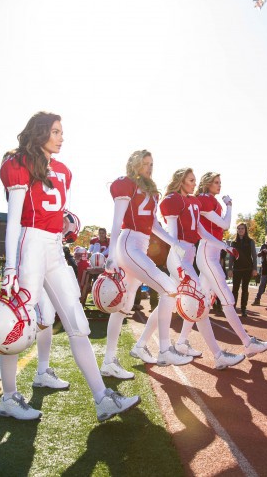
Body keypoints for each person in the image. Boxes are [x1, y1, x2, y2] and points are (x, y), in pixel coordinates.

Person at [0, 111, 139, 421]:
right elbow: (13, 220)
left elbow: (56, 212)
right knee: (18, 320)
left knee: (77, 321)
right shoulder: (17, 163)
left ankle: (102, 398)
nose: (62, 137)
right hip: (30, 242)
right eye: (57, 131)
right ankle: (8, 397)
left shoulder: (63, 170)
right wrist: (10, 267)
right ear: (41, 132)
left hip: (54, 247)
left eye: (62, 131)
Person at [137, 168, 246, 370]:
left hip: (189, 256)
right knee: (200, 303)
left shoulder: (192, 202)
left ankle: (140, 344)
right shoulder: (172, 200)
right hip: (179, 258)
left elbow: (201, 230)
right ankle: (218, 355)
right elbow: (173, 234)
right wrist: (179, 265)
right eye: (190, 180)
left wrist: (225, 246)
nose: (194, 184)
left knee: (167, 303)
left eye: (195, 180)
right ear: (180, 181)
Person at [101, 150, 191, 376]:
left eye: (152, 163)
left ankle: (110, 361)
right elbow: (115, 222)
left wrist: (173, 242)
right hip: (128, 243)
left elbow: (153, 225)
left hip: (139, 246)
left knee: (125, 305)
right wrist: (111, 254)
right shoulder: (126, 185)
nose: (150, 167)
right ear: (134, 164)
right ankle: (164, 350)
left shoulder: (151, 191)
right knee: (169, 289)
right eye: (145, 163)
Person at [175, 172, 267, 359]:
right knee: (227, 299)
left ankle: (181, 342)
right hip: (208, 254)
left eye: (220, 183)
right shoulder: (205, 199)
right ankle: (247, 342)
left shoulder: (207, 199)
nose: (219, 186)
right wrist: (229, 205)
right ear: (207, 184)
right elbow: (226, 224)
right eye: (216, 183)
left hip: (210, 252)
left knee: (201, 301)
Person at [229, 223, 258, 316]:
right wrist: (230, 269)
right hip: (237, 269)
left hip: (247, 269)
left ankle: (243, 309)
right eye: (239, 228)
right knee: (235, 290)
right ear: (237, 230)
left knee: (245, 289)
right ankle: (233, 308)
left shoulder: (250, 241)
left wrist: (255, 268)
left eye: (242, 228)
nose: (240, 230)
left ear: (245, 230)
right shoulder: (233, 243)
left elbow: (254, 255)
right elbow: (231, 257)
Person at [253, 232, 267, 306]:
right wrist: (262, 251)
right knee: (262, 284)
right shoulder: (263, 246)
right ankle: (257, 299)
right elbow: (258, 255)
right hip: (265, 268)